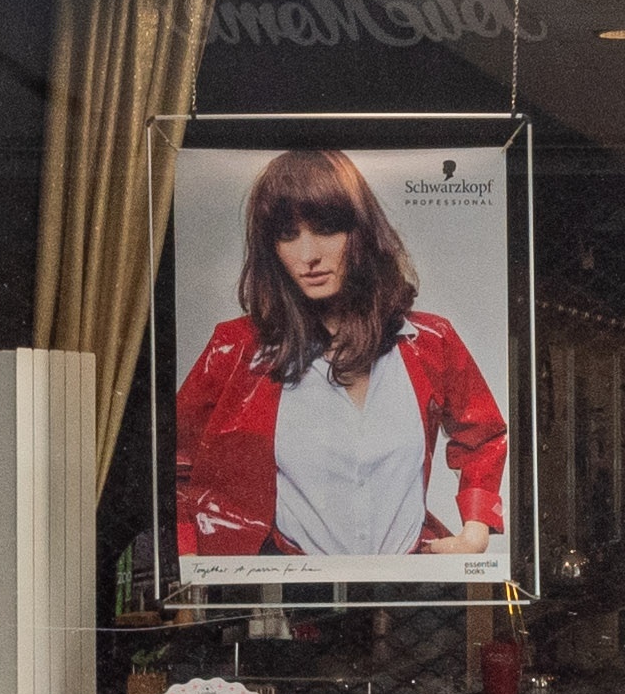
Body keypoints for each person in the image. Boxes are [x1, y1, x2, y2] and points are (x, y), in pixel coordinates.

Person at [172, 146, 508, 563]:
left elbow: (484, 435)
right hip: (288, 590)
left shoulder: (429, 340)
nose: (308, 255)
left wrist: (475, 530)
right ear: (270, 249)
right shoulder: (235, 350)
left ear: (361, 233)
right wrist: (191, 557)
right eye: (287, 235)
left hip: (408, 589)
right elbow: (176, 469)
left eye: (326, 229)